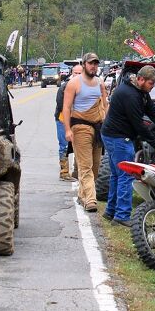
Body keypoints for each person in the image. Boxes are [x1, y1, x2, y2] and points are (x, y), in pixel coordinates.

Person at [100, 65, 155, 227]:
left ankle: (111, 211)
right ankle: (121, 215)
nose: (153, 86)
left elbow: (151, 109)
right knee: (125, 175)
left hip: (113, 135)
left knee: (117, 175)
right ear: (141, 79)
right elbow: (139, 126)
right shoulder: (129, 95)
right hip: (119, 138)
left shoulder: (140, 91)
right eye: (151, 83)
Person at [63, 53, 108, 212]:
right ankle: (90, 200)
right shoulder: (74, 83)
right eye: (91, 63)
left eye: (96, 64)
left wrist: (106, 124)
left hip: (97, 128)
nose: (93, 66)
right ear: (84, 64)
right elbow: (66, 108)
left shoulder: (100, 83)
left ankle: (83, 195)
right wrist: (68, 129)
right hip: (80, 127)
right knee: (85, 165)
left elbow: (105, 105)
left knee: (95, 168)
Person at [55, 65, 82, 181]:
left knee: (79, 145)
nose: (77, 75)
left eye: (80, 73)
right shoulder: (64, 87)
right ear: (72, 73)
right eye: (75, 73)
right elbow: (61, 105)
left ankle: (77, 172)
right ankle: (64, 172)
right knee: (64, 146)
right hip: (63, 120)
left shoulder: (85, 87)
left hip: (78, 120)